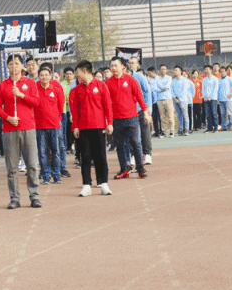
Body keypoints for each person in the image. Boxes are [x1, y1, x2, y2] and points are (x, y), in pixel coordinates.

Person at [0, 54, 42, 209]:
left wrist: (21, 95)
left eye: (16, 63)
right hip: (10, 129)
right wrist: (8, 118)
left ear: (22, 66)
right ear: (7, 67)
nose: (14, 66)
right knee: (12, 167)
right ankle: (14, 198)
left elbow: (36, 102)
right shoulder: (2, 86)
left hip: (28, 128)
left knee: (32, 165)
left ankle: (34, 196)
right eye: (10, 64)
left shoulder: (30, 83)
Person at [70, 60, 114, 197]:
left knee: (101, 156)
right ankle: (86, 185)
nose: (76, 75)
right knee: (85, 157)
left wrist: (110, 123)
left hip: (99, 126)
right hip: (83, 128)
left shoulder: (101, 86)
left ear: (84, 71)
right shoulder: (77, 89)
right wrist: (75, 126)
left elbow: (108, 105)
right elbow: (75, 110)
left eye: (78, 72)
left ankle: (104, 184)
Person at [108, 56, 150, 180]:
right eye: (112, 66)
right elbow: (107, 103)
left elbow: (140, 97)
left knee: (135, 143)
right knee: (120, 145)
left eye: (116, 65)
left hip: (132, 118)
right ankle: (124, 169)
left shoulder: (131, 80)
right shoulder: (108, 83)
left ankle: (140, 168)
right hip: (116, 119)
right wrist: (108, 121)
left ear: (123, 67)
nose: (113, 68)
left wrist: (145, 112)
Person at [34, 67, 65, 184]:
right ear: (38, 77)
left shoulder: (56, 88)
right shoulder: (35, 89)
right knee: (42, 153)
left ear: (50, 76)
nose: (44, 77)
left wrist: (55, 118)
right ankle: (46, 175)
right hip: (40, 126)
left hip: (54, 125)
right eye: (41, 75)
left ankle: (56, 174)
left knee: (56, 151)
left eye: (46, 75)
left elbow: (60, 106)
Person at [128, 56, 153, 165]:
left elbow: (147, 91)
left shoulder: (139, 76)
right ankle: (133, 155)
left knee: (145, 132)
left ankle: (147, 154)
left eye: (133, 63)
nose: (131, 65)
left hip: (141, 109)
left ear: (137, 64)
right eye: (130, 63)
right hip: (130, 111)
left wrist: (148, 107)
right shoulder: (124, 77)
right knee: (132, 134)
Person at [155, 64, 175, 138]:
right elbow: (155, 88)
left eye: (164, 69)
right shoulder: (157, 79)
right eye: (161, 69)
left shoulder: (169, 78)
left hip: (168, 99)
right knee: (162, 117)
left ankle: (172, 131)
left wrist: (160, 88)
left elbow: (167, 86)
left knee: (170, 116)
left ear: (166, 70)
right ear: (160, 70)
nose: (163, 70)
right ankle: (164, 132)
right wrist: (161, 89)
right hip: (160, 99)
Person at [217, 66, 232, 131]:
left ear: (226, 72)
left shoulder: (229, 79)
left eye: (223, 72)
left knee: (230, 113)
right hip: (221, 99)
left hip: (228, 99)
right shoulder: (219, 80)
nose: (222, 73)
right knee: (222, 113)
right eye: (221, 72)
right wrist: (217, 97)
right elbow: (217, 90)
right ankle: (224, 126)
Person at [170, 66, 190, 136]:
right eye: (174, 70)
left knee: (185, 115)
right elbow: (171, 90)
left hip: (183, 100)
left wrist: (178, 98)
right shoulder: (173, 81)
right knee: (179, 115)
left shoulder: (184, 80)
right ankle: (180, 129)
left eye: (176, 70)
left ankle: (186, 129)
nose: (175, 71)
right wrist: (174, 98)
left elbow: (184, 90)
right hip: (175, 100)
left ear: (180, 71)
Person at [201, 65, 219, 133]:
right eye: (205, 70)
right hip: (206, 99)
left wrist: (211, 96)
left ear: (211, 70)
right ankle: (209, 128)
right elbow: (203, 89)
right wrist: (204, 97)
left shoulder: (215, 79)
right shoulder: (204, 79)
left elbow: (216, 89)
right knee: (207, 114)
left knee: (214, 113)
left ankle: (216, 127)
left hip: (213, 99)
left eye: (207, 69)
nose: (206, 71)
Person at [147, 66, 163, 137]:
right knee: (154, 117)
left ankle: (161, 130)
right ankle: (156, 131)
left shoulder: (159, 79)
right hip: (152, 101)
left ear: (153, 72)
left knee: (160, 117)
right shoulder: (149, 80)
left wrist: (155, 87)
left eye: (150, 73)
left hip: (158, 100)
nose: (149, 75)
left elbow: (160, 89)